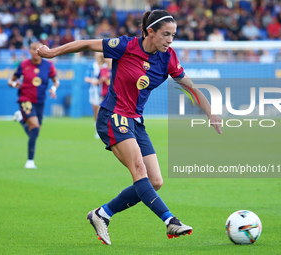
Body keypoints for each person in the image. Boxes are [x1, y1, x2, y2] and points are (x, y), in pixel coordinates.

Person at [37, 10, 222, 245]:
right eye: (166, 34)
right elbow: (85, 43)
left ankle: (102, 214)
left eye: (173, 35)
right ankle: (170, 220)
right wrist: (53, 52)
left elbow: (191, 87)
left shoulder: (169, 57)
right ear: (150, 32)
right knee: (139, 170)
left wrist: (209, 111)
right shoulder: (125, 46)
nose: (170, 40)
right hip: (113, 116)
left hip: (135, 120)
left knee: (155, 181)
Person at [8, 41, 60, 169]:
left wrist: (53, 89)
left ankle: (21, 119)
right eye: (33, 49)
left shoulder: (48, 65)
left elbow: (56, 81)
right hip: (25, 99)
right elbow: (11, 80)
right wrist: (15, 84)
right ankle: (30, 161)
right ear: (29, 51)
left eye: (38, 49)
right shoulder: (23, 65)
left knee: (35, 131)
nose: (36, 51)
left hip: (40, 101)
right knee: (35, 128)